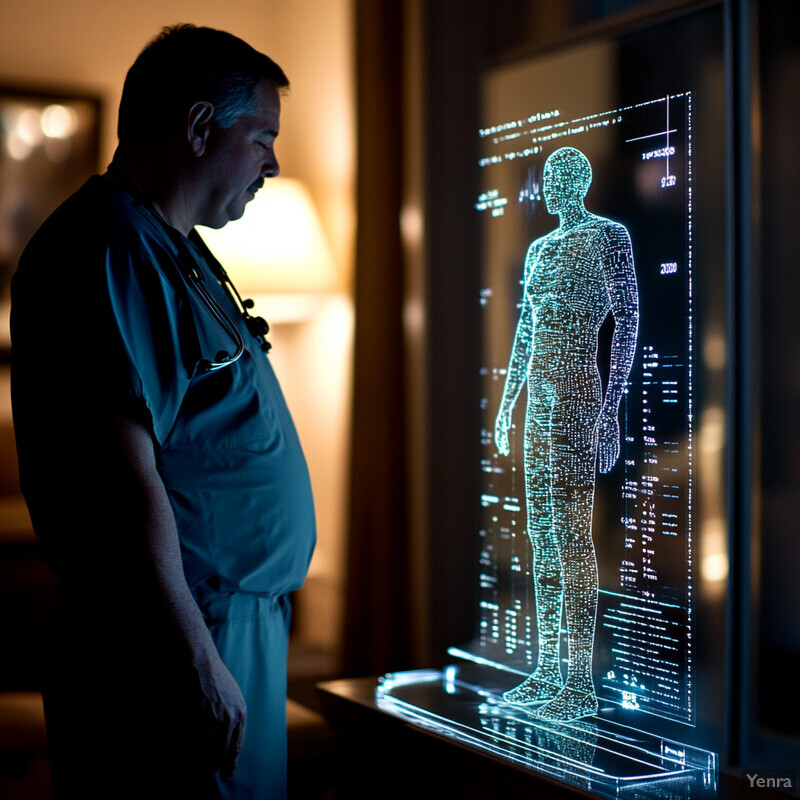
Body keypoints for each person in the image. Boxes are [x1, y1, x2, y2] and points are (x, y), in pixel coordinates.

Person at [10, 25, 316, 799]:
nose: (272, 163)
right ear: (199, 126)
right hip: (174, 640)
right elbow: (118, 481)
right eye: (262, 138)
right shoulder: (108, 247)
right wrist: (196, 661)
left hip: (217, 627)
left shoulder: (169, 247)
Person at [494, 147, 638, 722]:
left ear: (580, 183)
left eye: (561, 179)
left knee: (574, 538)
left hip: (581, 391)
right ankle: (548, 670)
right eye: (548, 179)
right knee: (541, 535)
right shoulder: (540, 248)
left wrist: (610, 408)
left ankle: (578, 682)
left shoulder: (608, 237)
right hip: (540, 403)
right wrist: (508, 404)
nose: (552, 188)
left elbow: (627, 319)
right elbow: (527, 329)